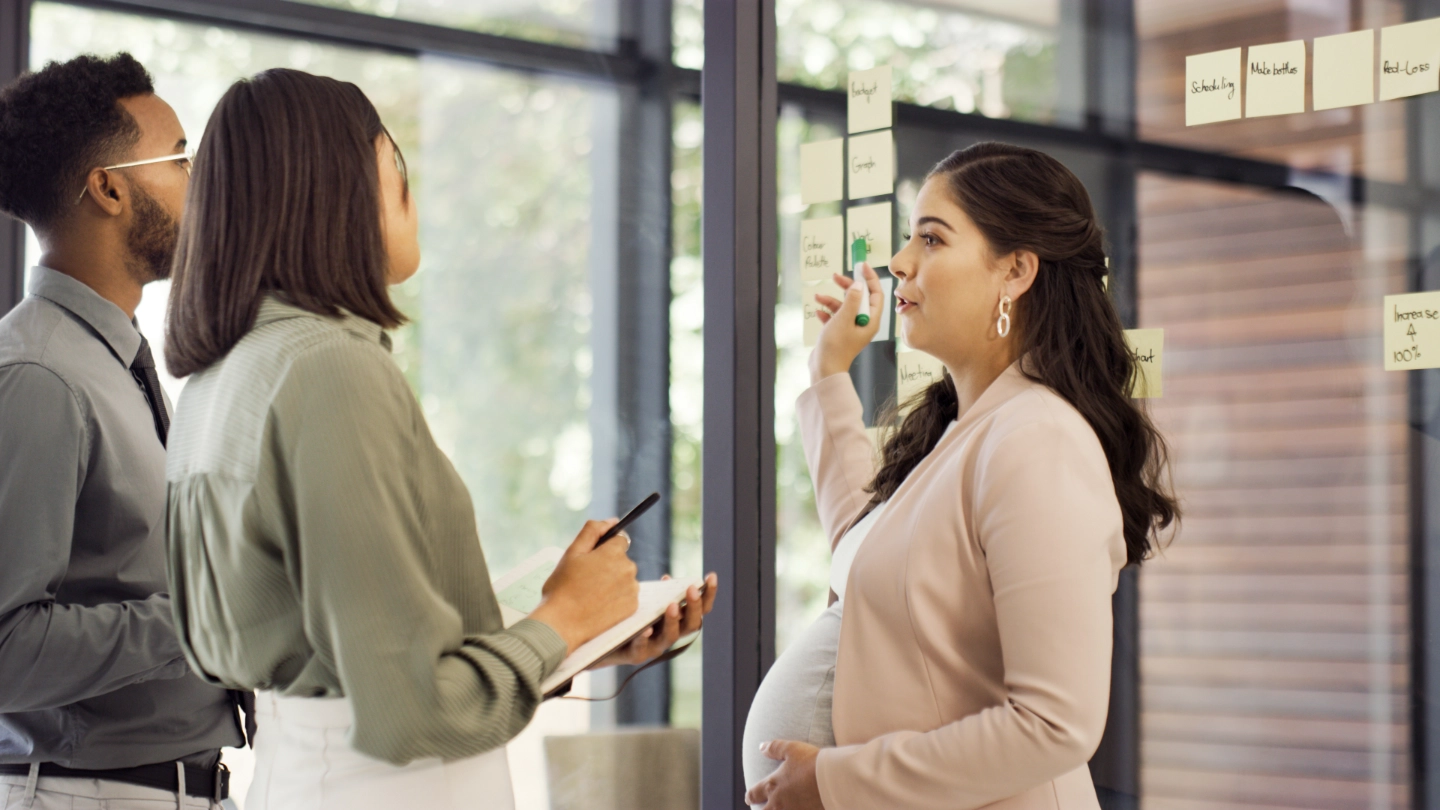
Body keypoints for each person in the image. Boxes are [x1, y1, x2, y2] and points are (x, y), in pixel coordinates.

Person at [161, 67, 717, 810]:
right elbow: (408, 711)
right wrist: (565, 618)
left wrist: (570, 638)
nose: (408, 190)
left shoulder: (217, 382)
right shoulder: (331, 371)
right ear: (341, 186)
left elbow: (346, 669)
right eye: (397, 164)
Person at [746, 142, 1178, 810]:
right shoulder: (970, 431)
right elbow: (866, 559)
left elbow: (1056, 724)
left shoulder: (1038, 441)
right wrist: (829, 374)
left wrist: (837, 781)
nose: (898, 262)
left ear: (1015, 271)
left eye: (931, 238)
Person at [0, 54, 247, 810]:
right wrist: (207, 615)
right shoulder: (40, 376)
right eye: (178, 157)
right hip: (93, 795)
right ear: (109, 188)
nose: (200, 178)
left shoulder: (116, 361)